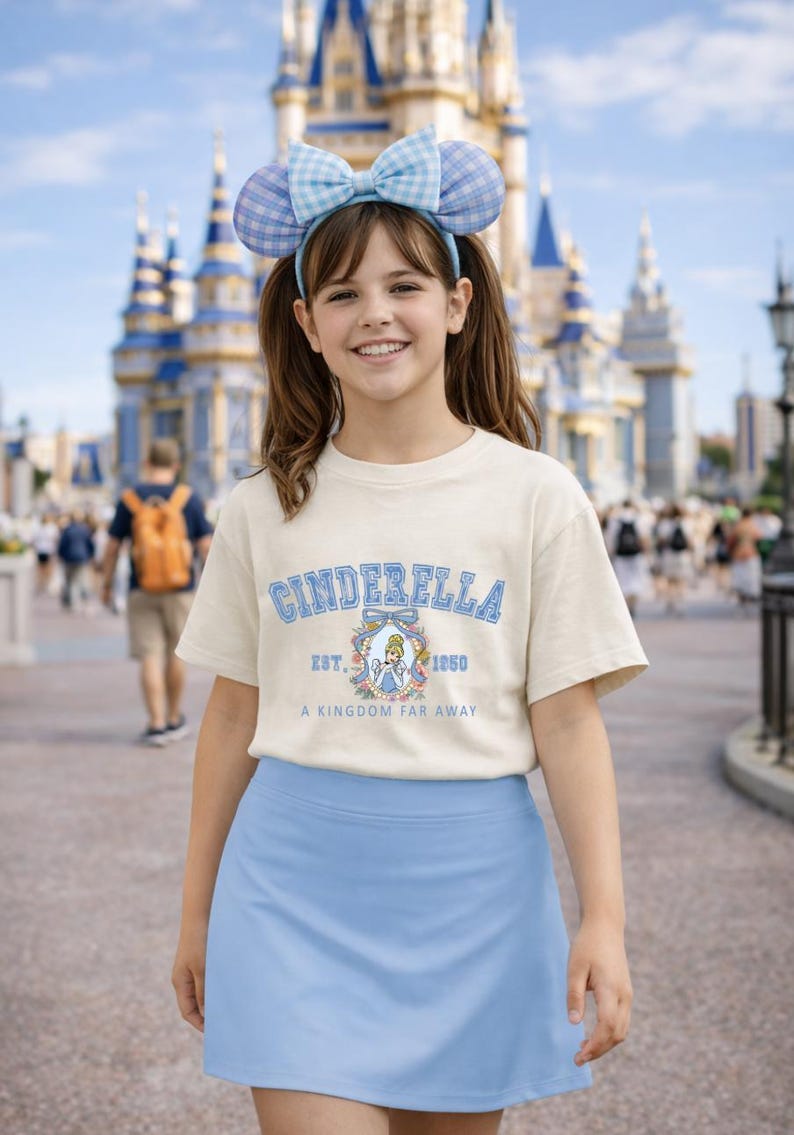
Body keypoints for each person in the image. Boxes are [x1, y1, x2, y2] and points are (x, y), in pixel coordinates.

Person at [171, 126, 649, 1135]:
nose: (375, 314)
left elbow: (568, 723)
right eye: (342, 293)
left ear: (458, 304)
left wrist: (602, 916)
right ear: (305, 322)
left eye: (404, 286)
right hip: (289, 891)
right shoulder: (260, 506)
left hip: (474, 895)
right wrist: (196, 909)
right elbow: (231, 717)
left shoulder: (536, 495)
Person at [102, 438, 213, 746]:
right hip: (181, 589)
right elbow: (206, 546)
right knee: (176, 654)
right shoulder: (188, 498)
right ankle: (174, 718)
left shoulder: (130, 499)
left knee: (150, 656)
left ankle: (156, 723)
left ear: (147, 463)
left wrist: (106, 584)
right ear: (177, 466)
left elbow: (112, 547)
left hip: (142, 588)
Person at [605, 499, 651, 619]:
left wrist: (611, 554)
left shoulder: (615, 520)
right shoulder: (639, 519)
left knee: (623, 580)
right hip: (636, 555)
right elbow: (644, 539)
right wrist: (647, 553)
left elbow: (611, 539)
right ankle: (632, 604)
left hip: (620, 555)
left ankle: (625, 606)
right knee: (636, 580)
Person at [57, 510, 95, 611]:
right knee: (82, 580)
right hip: (82, 558)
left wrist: (61, 555)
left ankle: (70, 603)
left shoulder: (67, 529)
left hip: (69, 558)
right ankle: (85, 602)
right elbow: (90, 544)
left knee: (69, 581)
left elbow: (62, 544)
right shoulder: (85, 530)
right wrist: (90, 555)